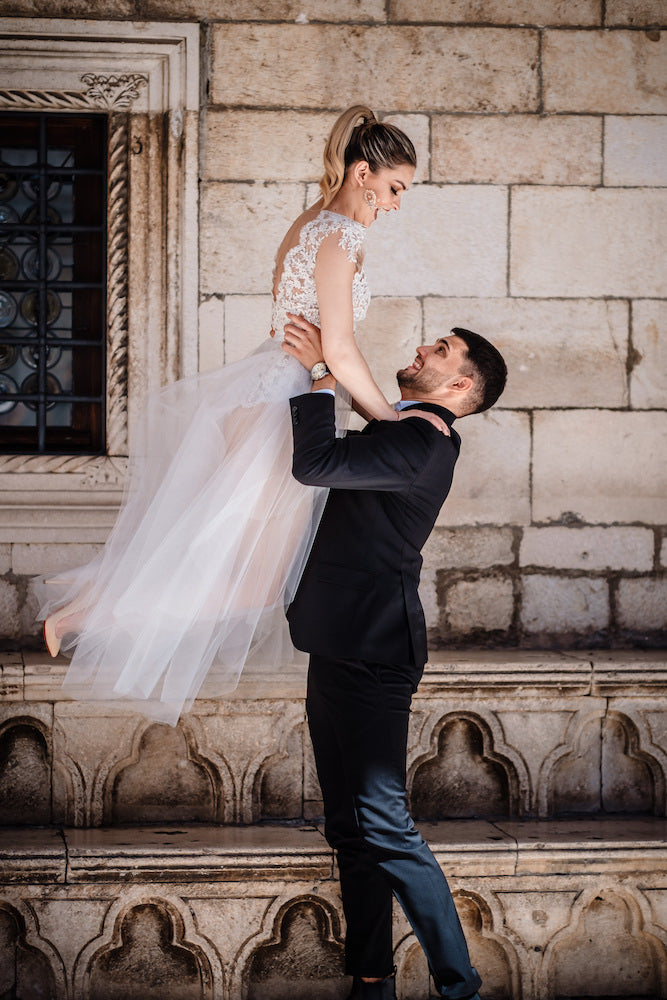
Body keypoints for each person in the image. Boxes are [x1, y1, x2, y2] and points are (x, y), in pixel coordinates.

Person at [35, 105, 447, 726]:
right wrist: (391, 421)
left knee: (216, 544)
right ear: (363, 172)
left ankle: (97, 599)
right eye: (395, 188)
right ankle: (90, 615)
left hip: (264, 390)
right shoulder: (341, 234)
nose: (395, 204)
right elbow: (335, 346)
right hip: (282, 403)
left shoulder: (309, 222)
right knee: (252, 580)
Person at [282, 315, 508, 999]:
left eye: (438, 350)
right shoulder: (410, 431)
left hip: (375, 653)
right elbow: (365, 424)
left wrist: (319, 376)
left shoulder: (422, 440)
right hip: (338, 642)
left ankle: (458, 986)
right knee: (348, 828)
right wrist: (332, 376)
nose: (420, 350)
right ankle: (371, 979)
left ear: (459, 382)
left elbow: (315, 463)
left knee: (383, 824)